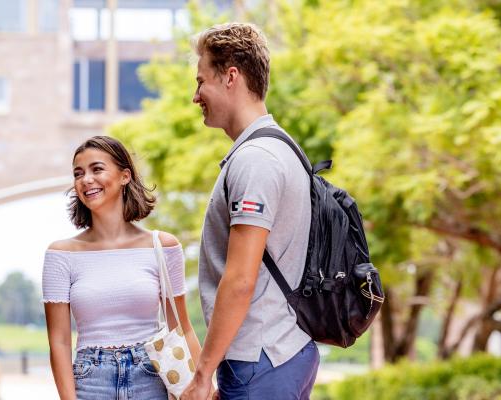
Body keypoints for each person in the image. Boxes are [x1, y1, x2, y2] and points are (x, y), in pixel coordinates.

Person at [180, 23, 319, 400]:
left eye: (201, 81)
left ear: (231, 77)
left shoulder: (255, 161)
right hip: (284, 350)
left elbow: (241, 279)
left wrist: (202, 374)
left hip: (260, 358)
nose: (196, 96)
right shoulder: (282, 147)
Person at [42, 136, 203, 400]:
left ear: (124, 176)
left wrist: (203, 383)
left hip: (151, 377)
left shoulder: (162, 246)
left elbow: (182, 328)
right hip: (91, 381)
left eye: (97, 169)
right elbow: (59, 342)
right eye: (78, 173)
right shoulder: (61, 254)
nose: (86, 180)